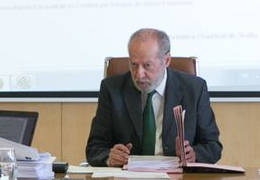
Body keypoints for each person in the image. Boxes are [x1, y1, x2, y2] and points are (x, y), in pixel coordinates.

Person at [86, 28, 222, 167]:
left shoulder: (194, 89)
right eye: (133, 64)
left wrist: (194, 155)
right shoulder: (112, 89)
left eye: (147, 65)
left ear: (166, 60)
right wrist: (109, 157)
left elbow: (213, 146)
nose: (139, 74)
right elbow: (94, 148)